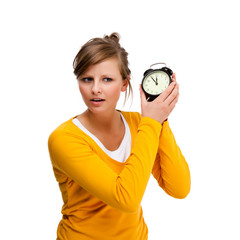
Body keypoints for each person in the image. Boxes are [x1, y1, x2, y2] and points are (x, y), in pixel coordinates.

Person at [48, 32, 191, 240]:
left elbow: (179, 188)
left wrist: (161, 119)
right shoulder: (64, 139)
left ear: (124, 84)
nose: (95, 89)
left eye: (107, 79)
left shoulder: (140, 125)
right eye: (87, 79)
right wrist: (151, 122)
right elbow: (126, 198)